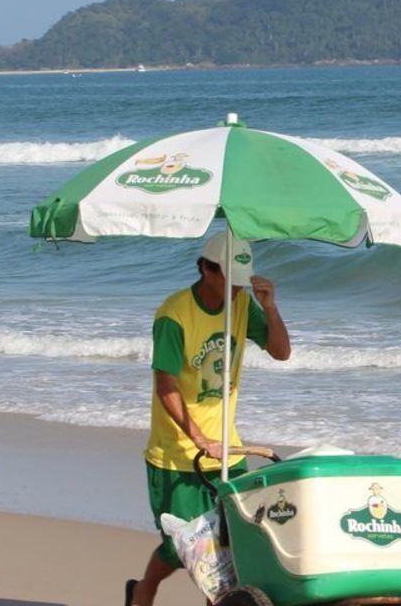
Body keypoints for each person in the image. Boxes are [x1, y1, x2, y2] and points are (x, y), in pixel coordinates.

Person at [128, 232, 291, 606]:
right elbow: (165, 385)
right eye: (229, 279)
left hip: (229, 450)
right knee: (184, 549)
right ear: (205, 268)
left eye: (240, 281)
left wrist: (269, 309)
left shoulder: (242, 306)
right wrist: (200, 439)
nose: (236, 289)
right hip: (177, 454)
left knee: (230, 551)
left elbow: (281, 352)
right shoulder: (174, 316)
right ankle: (144, 588)